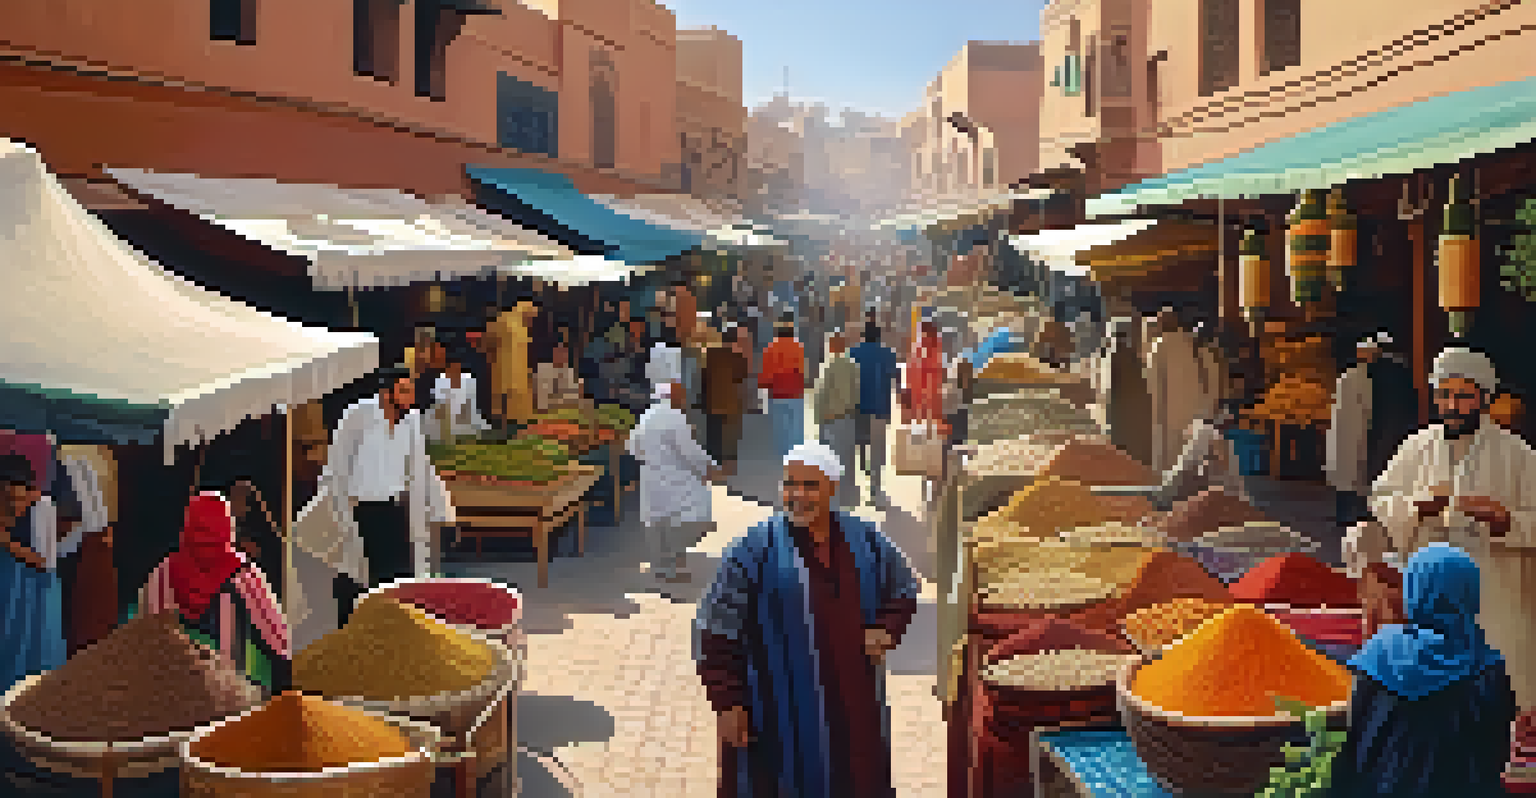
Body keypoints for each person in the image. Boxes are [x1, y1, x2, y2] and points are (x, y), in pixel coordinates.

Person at [695, 442, 920, 798]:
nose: (798, 495)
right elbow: (715, 629)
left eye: (810, 485)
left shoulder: (866, 540)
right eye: (790, 484)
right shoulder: (753, 549)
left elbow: (904, 588)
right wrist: (728, 702)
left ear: (832, 487)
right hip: (774, 712)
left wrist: (887, 629)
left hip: (853, 708)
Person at [1347, 347, 1536, 709]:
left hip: (1496, 592)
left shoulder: (1517, 455)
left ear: (1484, 398)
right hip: (1430, 596)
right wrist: (1416, 506)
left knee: (1503, 691)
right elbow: (1380, 500)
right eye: (1445, 395)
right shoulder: (1416, 447)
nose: (1452, 405)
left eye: (1463, 396)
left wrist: (1506, 520)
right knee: (1434, 690)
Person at [1331, 544, 1515, 797]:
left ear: (1414, 591)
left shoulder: (1380, 655)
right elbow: (1495, 755)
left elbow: (1356, 744)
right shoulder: (1487, 668)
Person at [293, 368, 454, 628]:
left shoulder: (411, 421)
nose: (410, 397)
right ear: (386, 393)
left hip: (394, 511)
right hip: (360, 511)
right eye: (404, 390)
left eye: (411, 390)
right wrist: (341, 514)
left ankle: (392, 634)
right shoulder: (358, 415)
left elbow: (421, 468)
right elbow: (337, 468)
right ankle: (352, 634)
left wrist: (442, 510)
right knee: (355, 581)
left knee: (396, 581)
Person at [141, 492, 292, 692]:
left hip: (171, 693)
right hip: (227, 694)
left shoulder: (163, 573)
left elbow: (147, 637)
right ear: (228, 528)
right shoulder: (243, 575)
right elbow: (278, 639)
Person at [628, 381, 722, 583]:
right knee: (685, 519)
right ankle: (673, 566)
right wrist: (709, 467)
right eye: (682, 396)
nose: (685, 400)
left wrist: (651, 461)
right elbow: (690, 450)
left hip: (652, 480)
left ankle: (664, 567)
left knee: (658, 526)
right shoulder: (674, 417)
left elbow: (633, 447)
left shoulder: (647, 415)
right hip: (675, 479)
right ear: (673, 397)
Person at [0, 453, 62, 692]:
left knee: (29, 646)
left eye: (17, 497)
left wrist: (6, 542)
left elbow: (46, 562)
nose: (14, 504)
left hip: (34, 587)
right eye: (7, 497)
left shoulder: (42, 508)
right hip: (12, 581)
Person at [1328, 336, 1384, 528]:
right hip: (1356, 430)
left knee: (1345, 474)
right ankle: (1354, 514)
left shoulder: (1346, 377)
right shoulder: (1363, 378)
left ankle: (1343, 514)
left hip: (1344, 430)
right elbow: (1368, 407)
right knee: (1354, 474)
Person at [1144, 308, 1205, 474]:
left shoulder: (1158, 346)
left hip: (1169, 415)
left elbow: (1154, 386)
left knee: (1169, 463)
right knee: (1189, 460)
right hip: (1194, 412)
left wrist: (1154, 417)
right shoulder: (1192, 344)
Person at [849, 321, 899, 505]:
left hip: (858, 409)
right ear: (879, 336)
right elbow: (896, 380)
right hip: (880, 409)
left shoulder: (853, 353)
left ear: (864, 336)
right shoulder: (888, 354)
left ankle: (852, 491)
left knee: (854, 449)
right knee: (877, 451)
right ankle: (875, 491)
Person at [814, 330, 861, 509]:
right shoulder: (853, 366)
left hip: (831, 420)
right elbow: (857, 394)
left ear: (832, 345)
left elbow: (821, 396)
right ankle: (849, 499)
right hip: (849, 419)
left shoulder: (829, 366)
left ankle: (834, 501)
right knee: (848, 461)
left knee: (831, 462)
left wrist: (819, 419)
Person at [702, 325, 751, 475]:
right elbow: (742, 376)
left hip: (712, 403)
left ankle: (713, 467)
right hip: (731, 405)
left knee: (714, 437)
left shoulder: (710, 355)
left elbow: (703, 377)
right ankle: (729, 469)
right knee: (730, 439)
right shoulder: (737, 356)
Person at [483, 301, 539, 425]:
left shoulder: (520, 325)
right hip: (504, 369)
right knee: (505, 400)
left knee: (510, 399)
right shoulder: (505, 321)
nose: (531, 322)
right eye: (531, 318)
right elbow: (489, 341)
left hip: (515, 370)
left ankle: (514, 423)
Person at [760, 319, 808, 460]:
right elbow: (802, 371)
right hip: (796, 394)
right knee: (796, 431)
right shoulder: (798, 348)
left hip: (776, 395)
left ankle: (781, 459)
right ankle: (796, 458)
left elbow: (766, 376)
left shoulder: (770, 348)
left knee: (779, 431)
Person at [432, 346, 493, 440]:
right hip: (447, 417)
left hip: (467, 415)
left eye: (457, 367)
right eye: (452, 367)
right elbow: (440, 405)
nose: (455, 370)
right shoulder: (441, 381)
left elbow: (470, 403)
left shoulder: (468, 379)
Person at [535, 339, 588, 414]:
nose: (563, 356)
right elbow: (544, 400)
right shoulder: (544, 369)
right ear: (554, 354)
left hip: (568, 411)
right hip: (549, 412)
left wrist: (569, 397)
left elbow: (575, 396)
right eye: (560, 352)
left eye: (565, 353)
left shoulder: (569, 371)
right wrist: (567, 398)